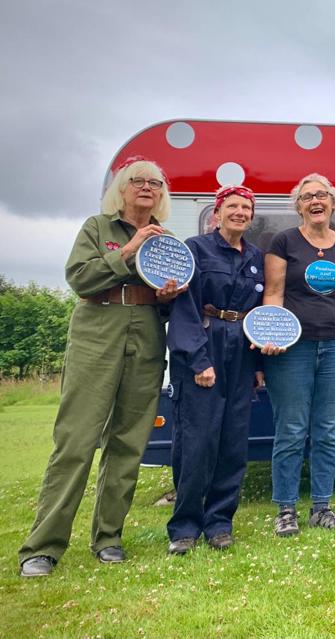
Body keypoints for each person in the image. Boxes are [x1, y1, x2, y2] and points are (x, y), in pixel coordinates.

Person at [18, 157, 186, 577]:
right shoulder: (97, 228)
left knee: (129, 443)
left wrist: (169, 297)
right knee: (76, 440)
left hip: (146, 337)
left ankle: (108, 537)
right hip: (97, 333)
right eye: (138, 181)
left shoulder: (167, 239)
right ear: (121, 189)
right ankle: (43, 546)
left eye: (155, 183)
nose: (147, 187)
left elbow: (170, 306)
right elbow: (80, 278)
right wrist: (129, 251)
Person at [262, 173, 335, 537]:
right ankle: (286, 510)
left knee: (328, 430)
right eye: (307, 196)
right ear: (298, 206)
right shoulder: (284, 241)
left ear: (333, 203)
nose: (315, 201)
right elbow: (274, 292)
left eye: (322, 195)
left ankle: (321, 507)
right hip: (293, 348)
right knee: (291, 429)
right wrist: (271, 333)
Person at [165, 185, 265, 555]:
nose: (240, 212)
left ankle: (220, 523)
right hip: (205, 343)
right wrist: (198, 359)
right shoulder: (195, 249)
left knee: (232, 440)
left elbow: (260, 312)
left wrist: (258, 364)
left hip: (241, 349)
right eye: (232, 206)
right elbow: (185, 307)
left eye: (246, 208)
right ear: (217, 213)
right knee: (197, 440)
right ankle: (185, 527)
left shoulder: (256, 256)